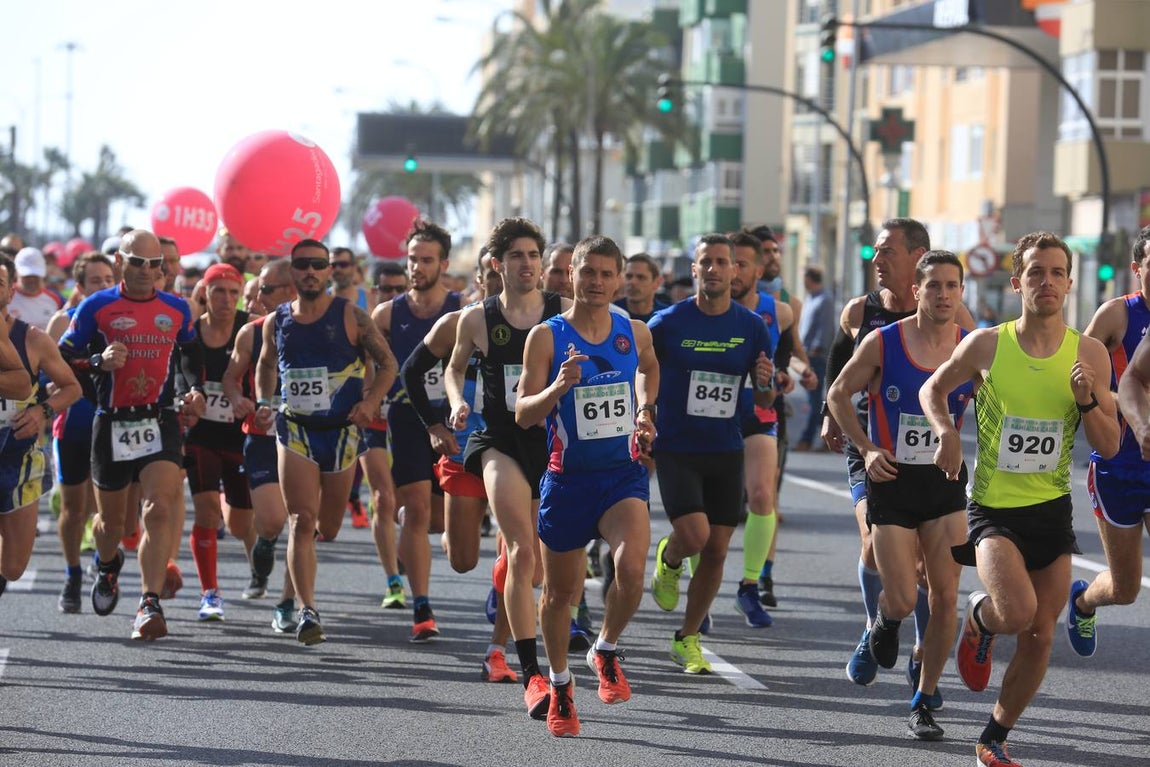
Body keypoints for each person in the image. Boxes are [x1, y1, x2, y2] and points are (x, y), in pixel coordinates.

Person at [921, 231, 1119, 767]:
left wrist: (1086, 402)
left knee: (1041, 634)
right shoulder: (987, 344)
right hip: (993, 509)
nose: (1047, 282)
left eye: (1057, 273)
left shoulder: (1090, 353)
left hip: (1051, 511)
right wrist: (946, 432)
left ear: (1070, 283)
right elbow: (932, 390)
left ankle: (993, 736)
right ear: (1016, 283)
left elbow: (1111, 442)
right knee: (1018, 611)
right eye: (1036, 272)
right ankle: (980, 619)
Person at [820, 218, 974, 687]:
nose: (877, 260)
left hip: (935, 464)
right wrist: (840, 423)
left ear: (916, 256)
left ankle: (923, 663)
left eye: (887, 251)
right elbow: (839, 370)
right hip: (874, 447)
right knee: (876, 546)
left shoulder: (963, 328)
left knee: (937, 577)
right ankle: (876, 626)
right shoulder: (861, 314)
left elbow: (980, 386)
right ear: (921, 284)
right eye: (876, 251)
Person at [516, 235, 658, 737]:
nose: (596, 282)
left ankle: (607, 647)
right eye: (587, 272)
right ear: (570, 274)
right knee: (560, 593)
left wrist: (644, 412)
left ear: (619, 278)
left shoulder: (633, 329)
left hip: (621, 475)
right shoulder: (546, 337)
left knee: (633, 569)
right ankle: (559, 684)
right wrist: (558, 386)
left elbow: (648, 371)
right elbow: (523, 412)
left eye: (606, 273)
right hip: (567, 478)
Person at [58, 229, 207, 640]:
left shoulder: (177, 309)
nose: (146, 270)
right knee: (110, 523)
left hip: (158, 418)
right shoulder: (97, 306)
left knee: (158, 508)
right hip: (111, 421)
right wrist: (97, 360)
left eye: (154, 263)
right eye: (136, 262)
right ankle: (107, 566)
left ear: (162, 267)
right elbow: (63, 355)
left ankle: (148, 602)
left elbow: (191, 353)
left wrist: (193, 388)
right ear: (120, 262)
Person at [446, 216, 568, 718]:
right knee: (522, 550)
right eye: (516, 255)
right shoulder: (477, 319)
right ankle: (533, 675)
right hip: (497, 440)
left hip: (554, 442)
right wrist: (456, 401)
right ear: (497, 264)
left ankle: (509, 634)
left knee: (537, 565)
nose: (527, 264)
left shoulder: (566, 313)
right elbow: (453, 367)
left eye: (534, 255)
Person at [253, 238, 397, 645]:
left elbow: (388, 364)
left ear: (329, 270)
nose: (312, 271)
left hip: (341, 433)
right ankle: (306, 609)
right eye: (303, 265)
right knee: (300, 519)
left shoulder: (351, 316)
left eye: (319, 264)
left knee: (327, 528)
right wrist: (266, 401)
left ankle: (294, 586)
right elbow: (265, 363)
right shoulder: (276, 322)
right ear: (292, 272)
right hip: (295, 428)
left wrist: (371, 401)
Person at [648, 233, 774, 675]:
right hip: (677, 447)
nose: (717, 269)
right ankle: (670, 557)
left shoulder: (751, 326)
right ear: (695, 269)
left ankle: (688, 638)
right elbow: (642, 371)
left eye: (725, 262)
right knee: (696, 536)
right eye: (708, 262)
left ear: (735, 270)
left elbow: (765, 397)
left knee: (718, 551)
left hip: (726, 447)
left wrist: (764, 380)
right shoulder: (667, 323)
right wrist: (644, 413)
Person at [401, 247, 517, 682]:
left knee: (518, 555)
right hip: (464, 450)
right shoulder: (458, 323)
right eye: (494, 272)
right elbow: (412, 372)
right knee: (464, 560)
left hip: (516, 451)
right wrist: (434, 424)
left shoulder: (539, 325)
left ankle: (498, 650)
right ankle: (446, 532)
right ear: (486, 274)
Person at [372, 220, 462, 642]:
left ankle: (413, 537)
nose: (417, 267)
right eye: (412, 259)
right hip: (408, 419)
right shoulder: (387, 315)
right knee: (417, 508)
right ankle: (423, 607)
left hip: (454, 419)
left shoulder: (463, 309)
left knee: (442, 519)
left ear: (443, 263)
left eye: (427, 260)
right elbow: (372, 366)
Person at [1070, 225, 1150, 656]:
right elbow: (1080, 372)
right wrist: (1125, 402)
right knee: (1124, 589)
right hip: (1118, 463)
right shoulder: (1117, 315)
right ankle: (1083, 601)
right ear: (1138, 269)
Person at [221, 257, 299, 633]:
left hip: (308, 438)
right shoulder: (251, 332)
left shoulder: (324, 329)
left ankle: (287, 601)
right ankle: (265, 541)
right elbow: (232, 378)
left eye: (266, 289)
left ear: (291, 290)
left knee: (304, 524)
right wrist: (238, 399)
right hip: (263, 437)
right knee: (270, 520)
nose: (257, 296)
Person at [0, 256, 82, 596]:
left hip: (18, 456)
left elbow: (71, 387)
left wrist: (41, 412)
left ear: (11, 291)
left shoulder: (32, 339)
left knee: (13, 567)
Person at [182, 263, 257, 621]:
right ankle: (210, 593)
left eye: (233, 292)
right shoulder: (191, 333)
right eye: (218, 291)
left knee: (242, 525)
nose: (226, 299)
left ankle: (252, 553)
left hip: (240, 435)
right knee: (206, 511)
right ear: (205, 294)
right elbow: (179, 376)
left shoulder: (251, 329)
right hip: (201, 436)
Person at [45, 253, 116, 612]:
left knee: (101, 506)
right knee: (73, 507)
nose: (103, 286)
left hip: (112, 424)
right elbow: (45, 372)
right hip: (74, 422)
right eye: (94, 281)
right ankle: (72, 574)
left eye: (108, 280)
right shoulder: (63, 321)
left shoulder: (123, 320)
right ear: (79, 287)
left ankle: (103, 562)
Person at [796, 265, 834, 452]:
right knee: (813, 399)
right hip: (805, 354)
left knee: (814, 400)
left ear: (811, 279)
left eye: (804, 277)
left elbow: (825, 328)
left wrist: (817, 349)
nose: (803, 281)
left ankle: (807, 439)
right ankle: (831, 434)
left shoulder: (825, 299)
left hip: (816, 356)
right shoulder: (810, 298)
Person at [11, 247, 64, 331]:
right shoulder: (6, 297)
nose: (32, 279)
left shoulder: (55, 300)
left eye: (35, 275)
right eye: (27, 275)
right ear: (16, 272)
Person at [330, 247, 373, 311]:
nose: (338, 269)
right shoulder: (319, 299)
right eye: (333, 265)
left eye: (343, 264)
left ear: (354, 267)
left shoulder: (370, 299)